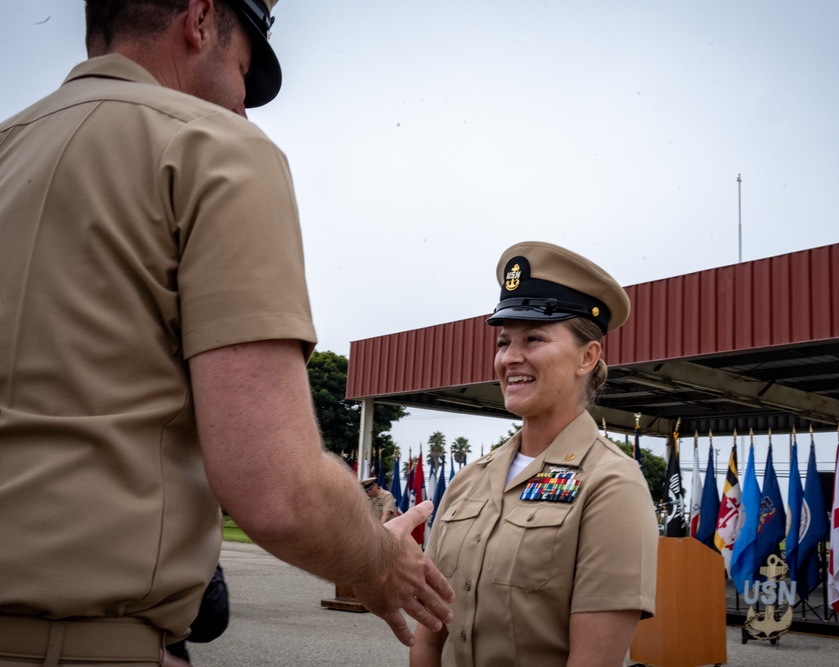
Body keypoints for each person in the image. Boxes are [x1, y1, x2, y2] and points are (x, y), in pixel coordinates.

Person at [0, 1, 453, 664]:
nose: (242, 107)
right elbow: (276, 487)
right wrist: (381, 557)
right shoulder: (215, 149)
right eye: (243, 71)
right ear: (202, 19)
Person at [410, 242, 659, 667]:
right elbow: (429, 642)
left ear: (587, 356)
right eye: (504, 341)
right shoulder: (469, 480)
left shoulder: (611, 485)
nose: (510, 357)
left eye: (535, 338)